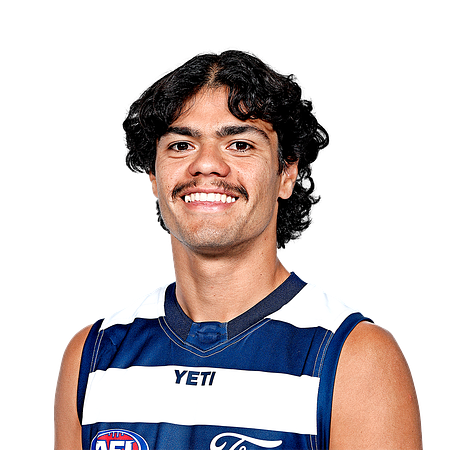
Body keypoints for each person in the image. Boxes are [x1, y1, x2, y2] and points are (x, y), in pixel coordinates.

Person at [53, 49, 423, 450]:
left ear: (287, 174)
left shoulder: (355, 357)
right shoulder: (92, 354)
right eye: (181, 145)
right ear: (152, 178)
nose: (206, 164)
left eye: (240, 145)